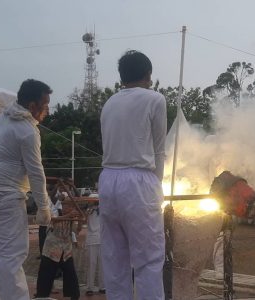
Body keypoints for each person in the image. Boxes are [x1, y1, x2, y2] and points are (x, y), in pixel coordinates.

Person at [0, 79, 53, 300]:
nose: (47, 111)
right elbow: (36, 172)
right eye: (45, 105)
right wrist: (44, 207)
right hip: (3, 195)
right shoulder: (27, 131)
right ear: (32, 106)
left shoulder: (1, 118)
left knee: (0, 253)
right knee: (13, 254)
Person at [99, 50, 167, 299]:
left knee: (115, 260)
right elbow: (159, 150)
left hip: (108, 179)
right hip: (139, 180)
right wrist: (156, 186)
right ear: (148, 75)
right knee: (148, 261)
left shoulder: (109, 103)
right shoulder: (155, 99)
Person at [35, 204, 82, 300]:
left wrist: (81, 218)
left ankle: (74, 296)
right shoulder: (54, 211)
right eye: (67, 206)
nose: (69, 208)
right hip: (51, 251)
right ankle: (41, 296)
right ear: (63, 206)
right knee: (45, 276)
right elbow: (51, 220)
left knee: (71, 274)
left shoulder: (72, 218)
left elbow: (77, 230)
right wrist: (68, 216)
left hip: (66, 252)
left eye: (71, 207)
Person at [85, 201, 105, 295]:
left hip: (103, 239)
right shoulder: (88, 210)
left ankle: (102, 286)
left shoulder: (104, 209)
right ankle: (90, 287)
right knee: (91, 264)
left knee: (103, 265)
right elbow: (84, 219)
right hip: (92, 240)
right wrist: (90, 208)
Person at [39, 183, 63, 257]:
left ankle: (51, 256)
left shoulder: (54, 199)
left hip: (52, 223)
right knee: (42, 241)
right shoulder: (44, 198)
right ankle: (43, 255)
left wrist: (57, 185)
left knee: (52, 242)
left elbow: (60, 212)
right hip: (44, 223)